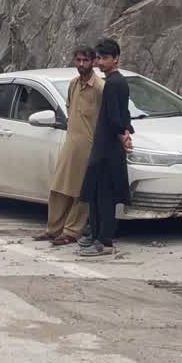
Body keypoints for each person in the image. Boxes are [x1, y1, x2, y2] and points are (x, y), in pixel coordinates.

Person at [33, 45, 103, 247]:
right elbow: (70, 111)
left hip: (88, 146)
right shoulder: (73, 84)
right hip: (70, 143)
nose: (81, 64)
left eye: (85, 60)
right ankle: (53, 229)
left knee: (80, 191)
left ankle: (71, 231)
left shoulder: (99, 87)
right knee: (59, 187)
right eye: (78, 60)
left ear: (93, 62)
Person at [77, 38, 134, 257]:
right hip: (106, 145)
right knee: (97, 194)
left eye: (105, 58)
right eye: (99, 58)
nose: (100, 62)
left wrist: (123, 135)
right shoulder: (117, 81)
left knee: (104, 196)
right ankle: (97, 235)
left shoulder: (114, 83)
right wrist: (126, 132)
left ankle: (105, 242)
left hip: (107, 149)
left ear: (116, 59)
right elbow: (123, 115)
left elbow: (114, 117)